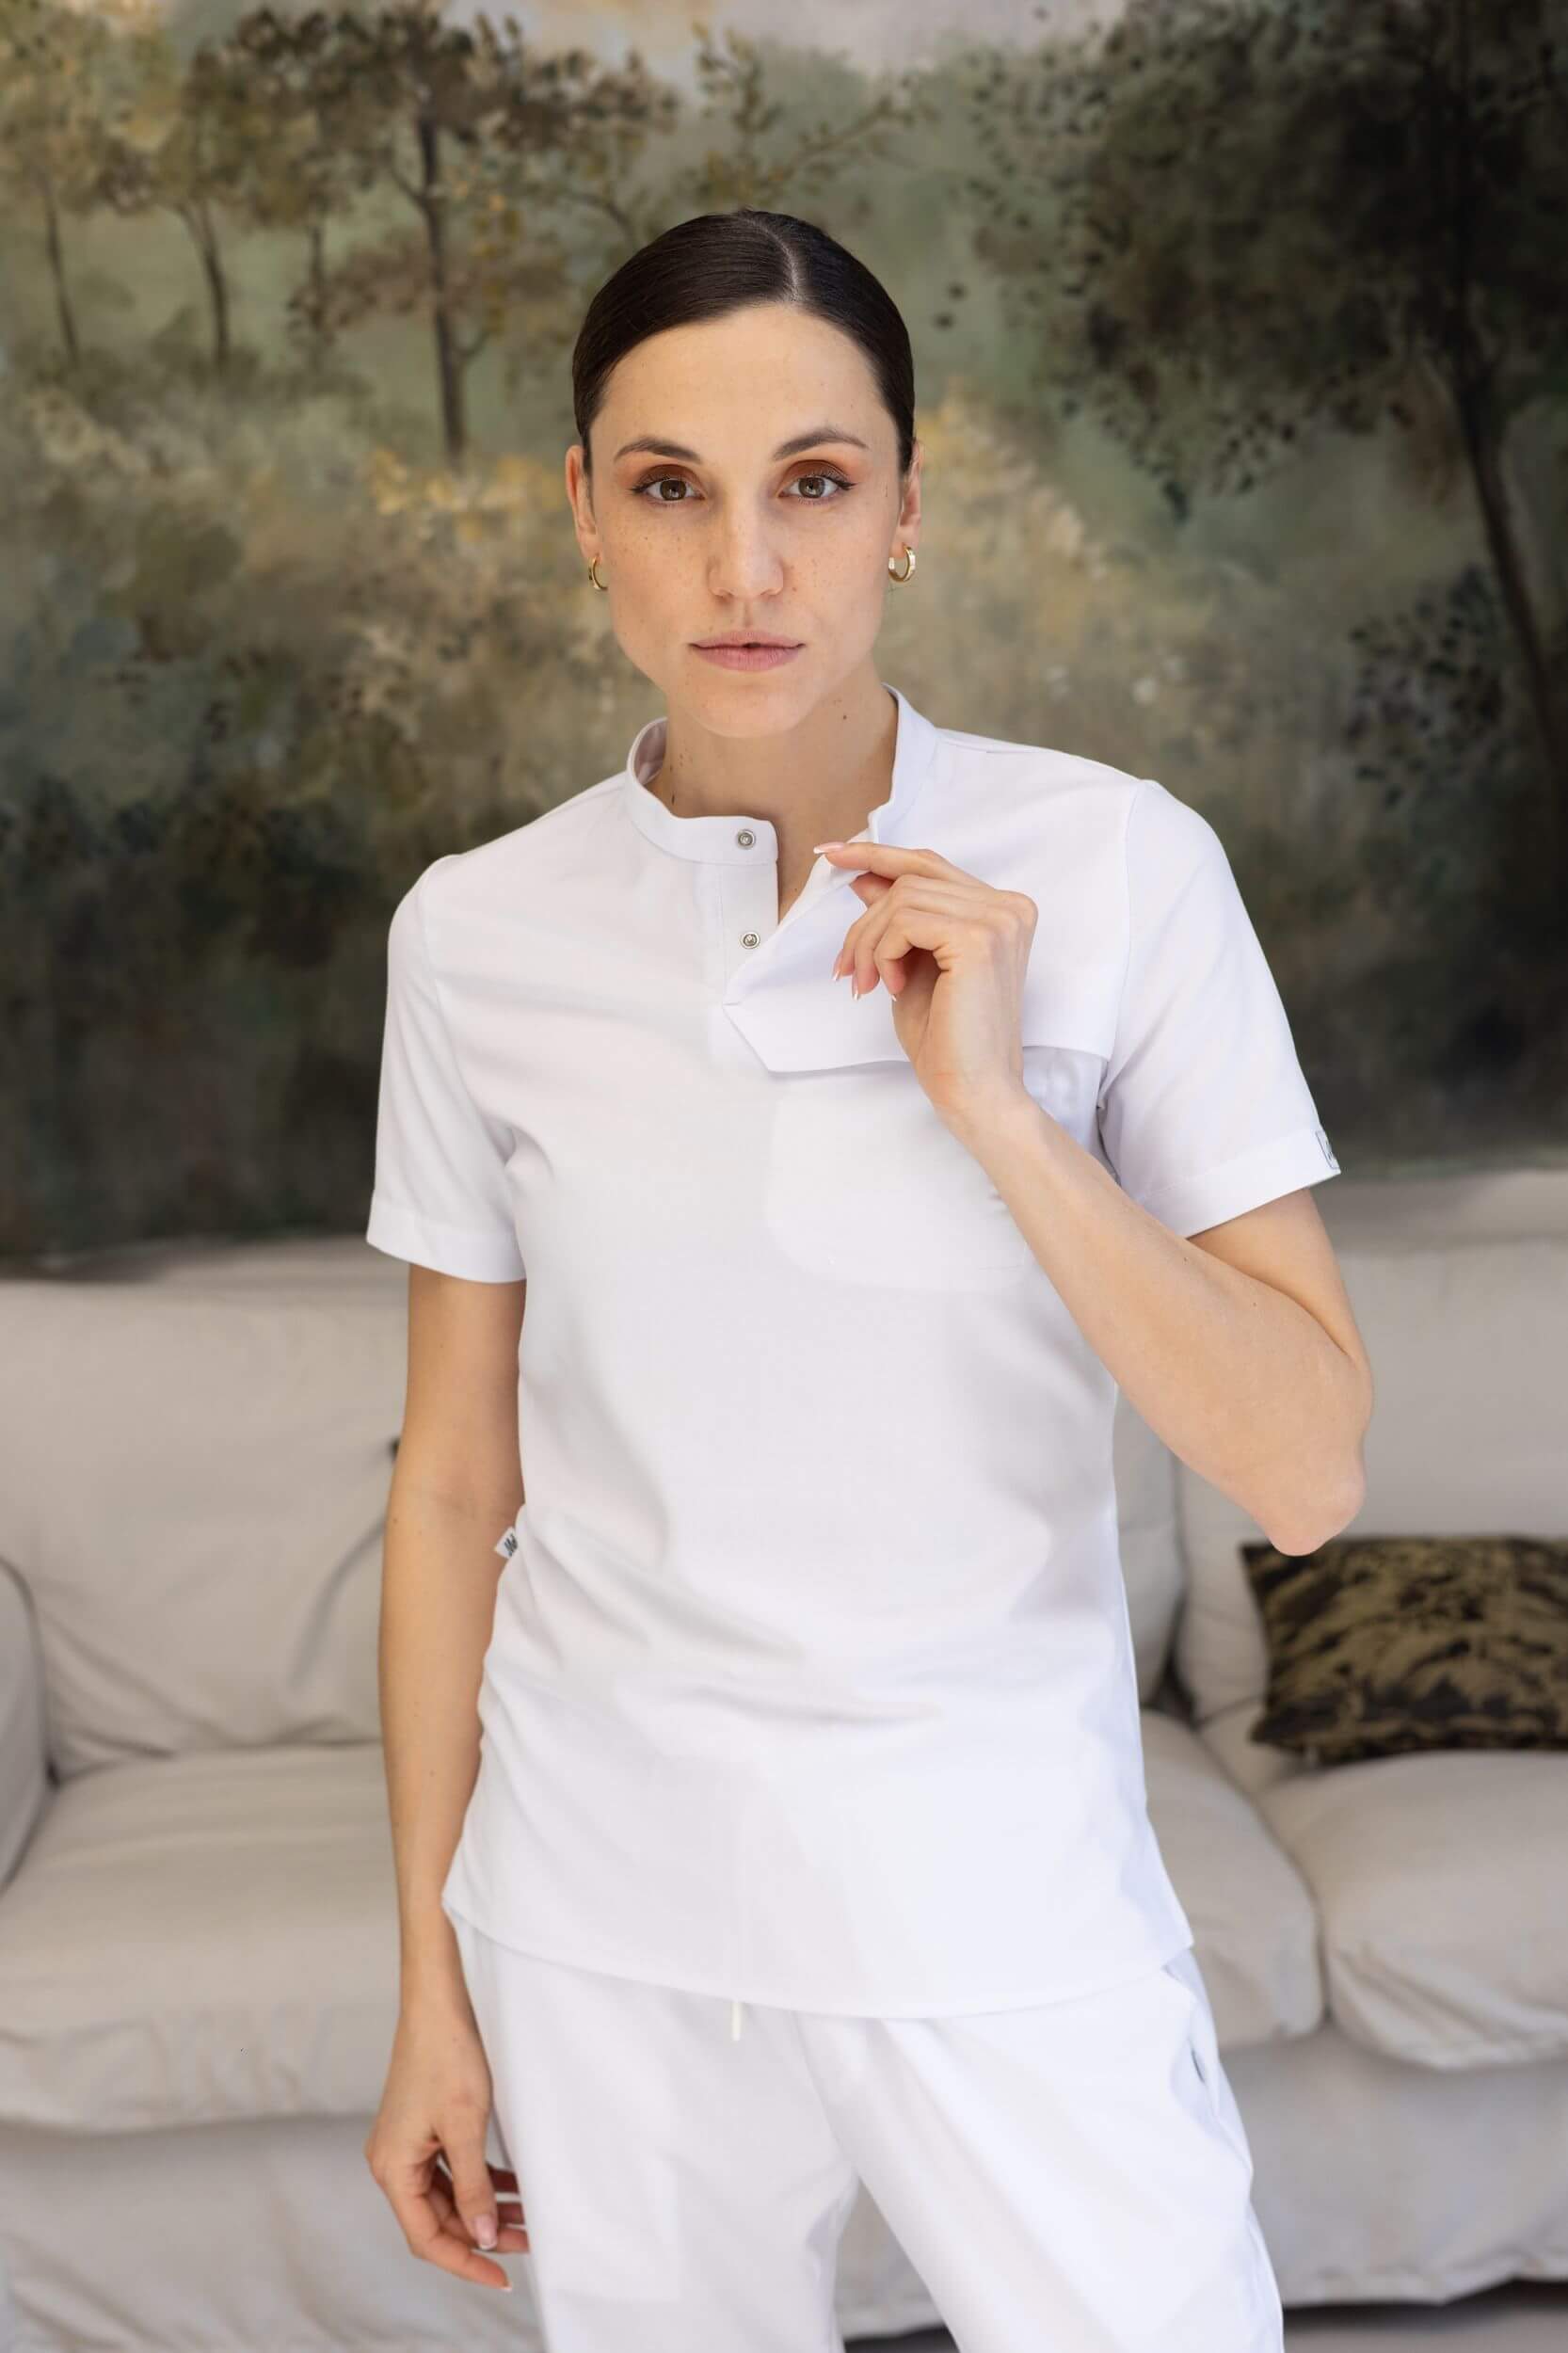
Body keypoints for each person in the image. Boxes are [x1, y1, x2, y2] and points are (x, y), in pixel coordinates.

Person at [360, 206, 1372, 2353]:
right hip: (600, 1905)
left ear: (905, 508)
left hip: (993, 1886)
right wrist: (431, 1981)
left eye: (813, 483)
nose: (746, 568)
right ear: (584, 515)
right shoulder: (473, 933)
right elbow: (450, 1485)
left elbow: (1303, 1469)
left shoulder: (1116, 866)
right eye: (671, 489)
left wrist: (1000, 1113)